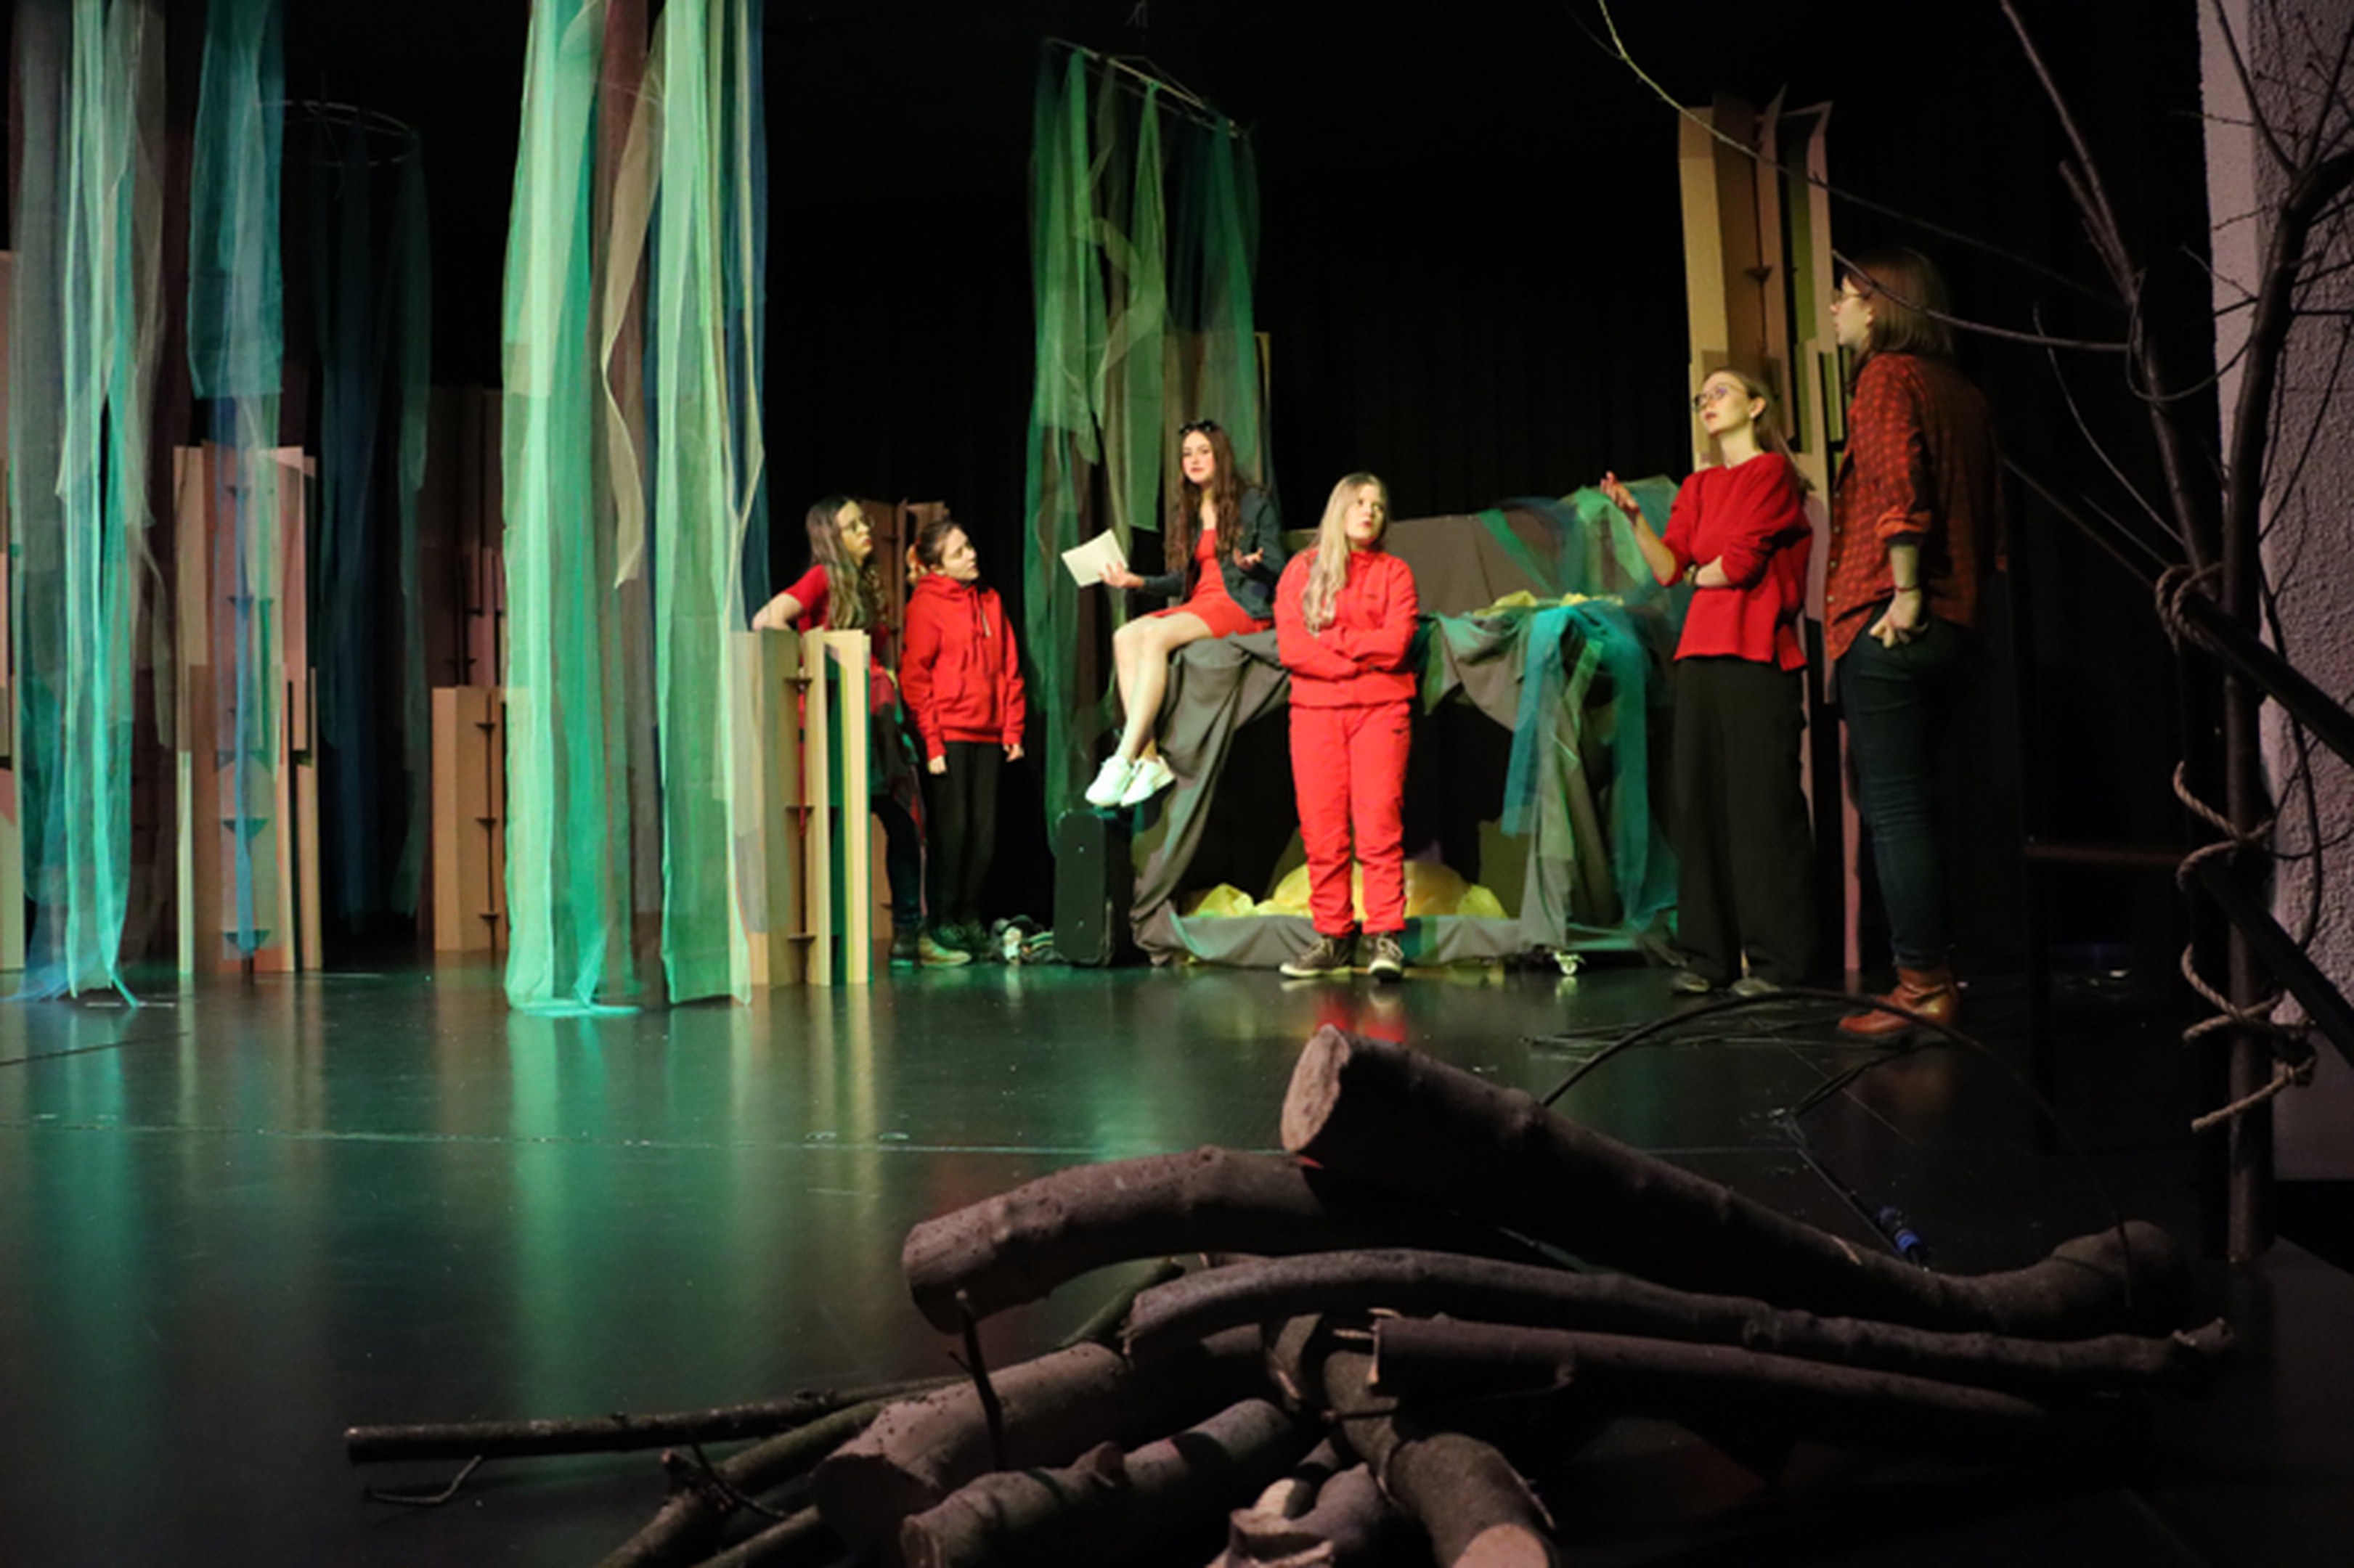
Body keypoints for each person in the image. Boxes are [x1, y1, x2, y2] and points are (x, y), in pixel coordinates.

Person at [1825, 247, 1996, 1036]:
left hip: (1895, 619)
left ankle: (1922, 985)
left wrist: (1905, 592)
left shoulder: (1886, 377)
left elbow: (1902, 488)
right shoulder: (1962, 390)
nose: (1835, 309)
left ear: (1880, 305)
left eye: (1845, 295)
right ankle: (1934, 973)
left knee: (1894, 808)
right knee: (1919, 805)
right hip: (1959, 624)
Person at [1602, 367, 1815, 999]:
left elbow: (1740, 564)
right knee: (1699, 809)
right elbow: (1672, 567)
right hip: (1700, 655)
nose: (1707, 404)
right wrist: (1637, 520)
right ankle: (1709, 956)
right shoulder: (1698, 485)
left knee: (1761, 809)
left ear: (1757, 405)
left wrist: (1704, 572)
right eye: (1702, 397)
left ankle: (1778, 961)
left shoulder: (1771, 473)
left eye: (1721, 392)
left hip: (1756, 655)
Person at [752, 497, 956, 967]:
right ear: (831, 537)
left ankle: (908, 936)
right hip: (839, 721)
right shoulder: (822, 577)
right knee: (832, 827)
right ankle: (825, 937)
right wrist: (817, 661)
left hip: (877, 720)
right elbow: (767, 618)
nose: (865, 530)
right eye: (853, 526)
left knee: (904, 823)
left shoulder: (862, 583)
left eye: (864, 522)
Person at [1087, 418, 1287, 808]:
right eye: (1187, 454)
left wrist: (1252, 566)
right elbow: (1184, 580)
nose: (1194, 460)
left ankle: (1123, 757)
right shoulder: (1191, 509)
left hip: (1240, 605)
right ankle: (1149, 759)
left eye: (1203, 452)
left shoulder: (1253, 502)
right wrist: (1136, 582)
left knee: (1155, 637)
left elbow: (1279, 568)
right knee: (1125, 636)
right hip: (1201, 603)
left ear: (1220, 456)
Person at [1273, 473, 1419, 981]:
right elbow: (1294, 649)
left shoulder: (1395, 573)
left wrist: (1335, 642)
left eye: (1377, 505)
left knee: (1379, 827)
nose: (1369, 512)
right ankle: (1334, 937)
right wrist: (1361, 653)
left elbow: (1396, 645)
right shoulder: (1302, 570)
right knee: (1323, 832)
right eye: (1359, 502)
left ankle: (1384, 936)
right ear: (1339, 509)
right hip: (1315, 714)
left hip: (1381, 711)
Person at [900, 516, 1027, 962]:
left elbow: (1009, 668)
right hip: (949, 735)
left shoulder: (990, 600)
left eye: (969, 546)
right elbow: (915, 678)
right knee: (952, 833)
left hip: (988, 733)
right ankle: (942, 919)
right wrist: (932, 744)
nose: (971, 555)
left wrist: (1012, 728)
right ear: (937, 567)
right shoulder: (926, 605)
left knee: (984, 833)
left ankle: (970, 916)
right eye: (959, 553)